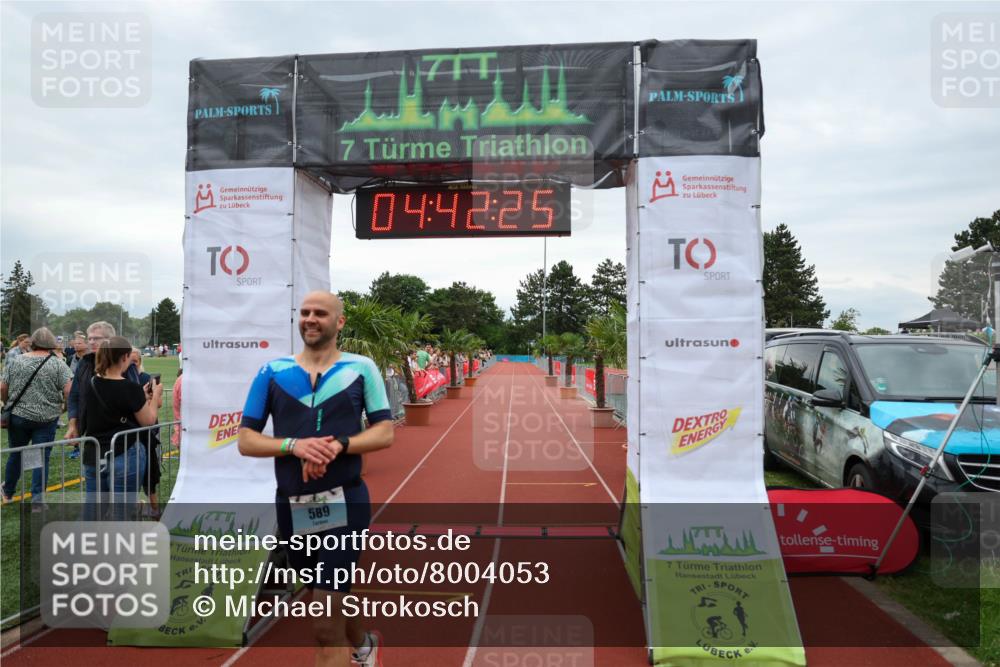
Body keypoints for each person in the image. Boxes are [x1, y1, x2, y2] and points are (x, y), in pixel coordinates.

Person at [238, 291, 393, 667]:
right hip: (294, 504)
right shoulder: (271, 371)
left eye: (320, 313)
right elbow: (246, 439)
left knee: (324, 622)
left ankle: (351, 649)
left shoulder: (361, 368)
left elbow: (385, 432)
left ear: (339, 322)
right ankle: (365, 645)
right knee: (325, 591)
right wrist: (296, 446)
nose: (310, 318)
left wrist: (338, 445)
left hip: (346, 500)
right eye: (305, 312)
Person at [80, 336, 162, 515]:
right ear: (125, 357)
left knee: (93, 510)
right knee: (122, 511)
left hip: (94, 453)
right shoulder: (129, 388)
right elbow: (148, 421)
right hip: (123, 453)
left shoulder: (92, 383)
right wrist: (155, 396)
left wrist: (140, 397)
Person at [0, 328, 73, 506]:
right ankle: (38, 500)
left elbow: (2, 387)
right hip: (46, 419)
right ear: (51, 345)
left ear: (32, 343)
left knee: (16, 454)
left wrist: (7, 402)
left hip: (18, 416)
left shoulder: (16, 361)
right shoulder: (58, 364)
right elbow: (69, 391)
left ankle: (8, 492)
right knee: (40, 458)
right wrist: (62, 408)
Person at [130, 347, 162, 517]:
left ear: (140, 362)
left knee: (150, 475)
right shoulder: (123, 379)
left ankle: (155, 509)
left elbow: (159, 404)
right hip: (129, 432)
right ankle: (136, 507)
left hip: (147, 433)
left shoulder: (146, 378)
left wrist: (151, 397)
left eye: (135, 362)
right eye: (129, 361)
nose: (132, 365)